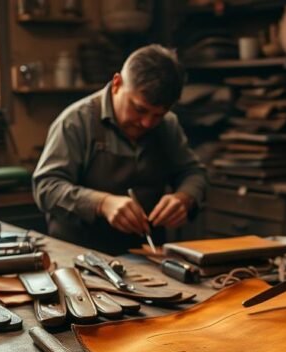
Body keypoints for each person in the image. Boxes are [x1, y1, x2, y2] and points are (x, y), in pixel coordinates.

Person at [32, 44, 207, 256]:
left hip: (146, 258)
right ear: (117, 84)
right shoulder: (76, 122)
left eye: (158, 114)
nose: (147, 123)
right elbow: (46, 187)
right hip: (79, 257)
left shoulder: (168, 125)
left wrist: (185, 197)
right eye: (140, 109)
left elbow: (193, 172)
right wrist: (101, 203)